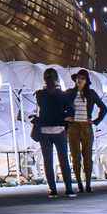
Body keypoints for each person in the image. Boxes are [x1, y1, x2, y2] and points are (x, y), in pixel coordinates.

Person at [65, 69, 107, 194]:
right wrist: (65, 118)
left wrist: (94, 121)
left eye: (82, 78)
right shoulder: (69, 93)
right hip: (73, 126)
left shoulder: (91, 94)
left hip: (86, 126)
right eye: (78, 78)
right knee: (75, 157)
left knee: (87, 156)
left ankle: (88, 184)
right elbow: (60, 106)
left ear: (86, 81)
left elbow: (103, 108)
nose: (80, 80)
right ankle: (79, 184)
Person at [34, 68, 74, 196]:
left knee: (48, 161)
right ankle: (68, 188)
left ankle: (52, 189)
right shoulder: (62, 95)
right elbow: (69, 110)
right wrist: (64, 118)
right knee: (63, 160)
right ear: (56, 79)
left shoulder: (40, 94)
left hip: (44, 130)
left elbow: (45, 113)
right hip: (59, 129)